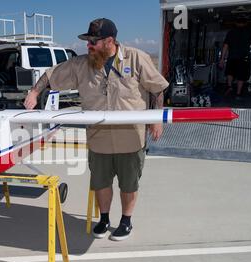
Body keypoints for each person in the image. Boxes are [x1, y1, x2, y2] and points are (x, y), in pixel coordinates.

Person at [24, 18, 169, 241]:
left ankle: (126, 221)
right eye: (88, 41)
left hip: (130, 137)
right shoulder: (82, 64)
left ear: (109, 41)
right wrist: (34, 93)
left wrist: (156, 118)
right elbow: (51, 75)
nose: (88, 46)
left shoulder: (136, 58)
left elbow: (157, 88)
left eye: (93, 41)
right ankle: (104, 218)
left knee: (129, 183)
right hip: (98, 138)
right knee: (101, 183)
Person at [219, 22, 251, 100]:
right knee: (241, 75)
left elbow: (225, 45)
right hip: (244, 57)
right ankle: (238, 94)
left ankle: (229, 86)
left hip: (232, 56)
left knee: (230, 71)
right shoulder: (250, 31)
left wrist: (222, 59)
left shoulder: (231, 32)